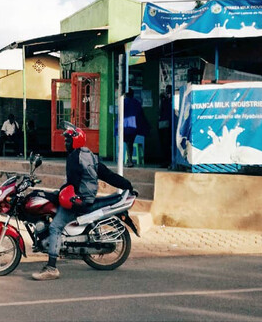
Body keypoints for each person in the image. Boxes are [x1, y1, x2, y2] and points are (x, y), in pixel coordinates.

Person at [32, 126, 135, 281]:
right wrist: (127, 184)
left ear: (75, 141)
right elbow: (107, 175)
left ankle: (51, 268)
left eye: (68, 140)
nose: (66, 143)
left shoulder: (75, 158)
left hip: (78, 200)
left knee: (55, 227)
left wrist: (55, 194)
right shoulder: (90, 156)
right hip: (85, 197)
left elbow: (72, 184)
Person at [123, 90, 149, 167]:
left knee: (128, 143)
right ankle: (129, 160)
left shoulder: (124, 102)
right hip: (134, 126)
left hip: (125, 126)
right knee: (130, 142)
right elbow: (141, 114)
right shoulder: (136, 102)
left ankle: (130, 160)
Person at [158, 85, 173, 167]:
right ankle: (166, 160)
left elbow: (160, 111)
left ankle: (167, 160)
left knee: (166, 143)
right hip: (165, 123)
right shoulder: (166, 100)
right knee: (165, 144)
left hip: (167, 123)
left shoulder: (168, 100)